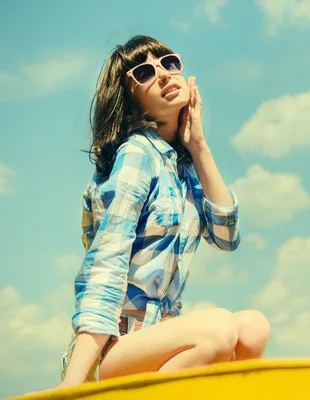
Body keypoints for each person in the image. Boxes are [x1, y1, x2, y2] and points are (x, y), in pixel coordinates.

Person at [55, 35, 270, 390]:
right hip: (116, 346)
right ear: (130, 98)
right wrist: (71, 385)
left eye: (169, 63)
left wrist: (198, 146)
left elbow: (227, 237)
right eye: (144, 72)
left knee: (253, 328)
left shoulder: (184, 166)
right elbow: (106, 263)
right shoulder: (137, 155)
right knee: (218, 330)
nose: (164, 75)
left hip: (160, 337)